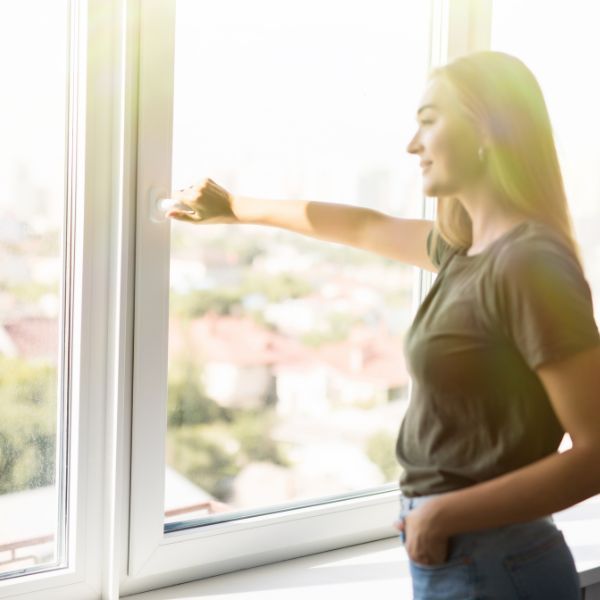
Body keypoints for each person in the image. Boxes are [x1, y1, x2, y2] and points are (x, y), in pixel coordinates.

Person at [166, 51, 600, 599]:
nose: (411, 145)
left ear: (487, 127)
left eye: (427, 120)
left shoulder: (529, 264)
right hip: (468, 558)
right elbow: (365, 226)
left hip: (495, 563)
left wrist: (442, 516)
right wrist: (234, 206)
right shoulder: (465, 252)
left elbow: (596, 455)